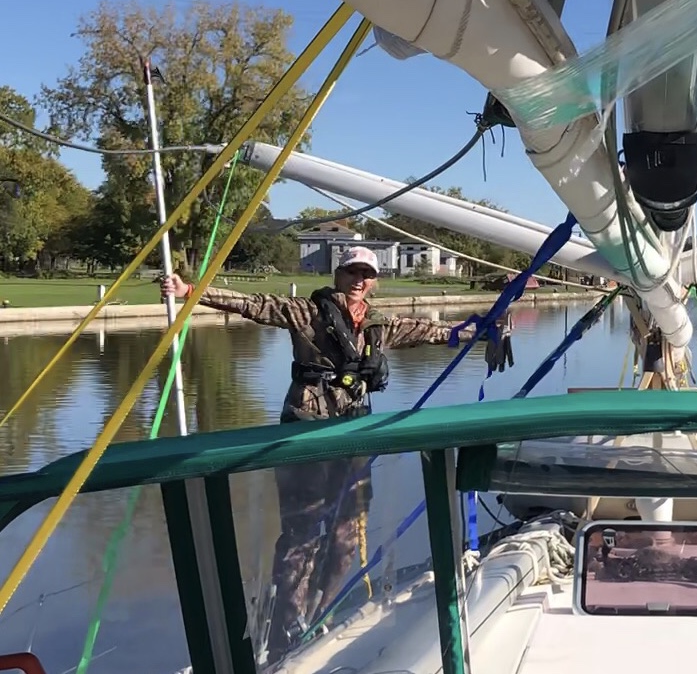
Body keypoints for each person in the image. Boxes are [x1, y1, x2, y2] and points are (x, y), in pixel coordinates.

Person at [160, 245, 513, 664]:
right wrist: (189, 291)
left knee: (347, 538)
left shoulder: (379, 325)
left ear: (374, 281)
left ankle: (315, 615)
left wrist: (486, 328)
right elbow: (253, 305)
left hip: (353, 437)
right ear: (338, 275)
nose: (359, 281)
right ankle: (286, 627)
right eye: (352, 273)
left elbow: (433, 332)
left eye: (367, 274)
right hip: (306, 434)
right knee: (302, 533)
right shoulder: (306, 314)